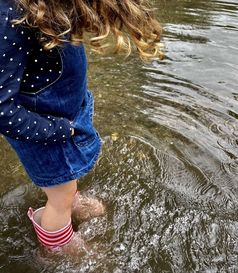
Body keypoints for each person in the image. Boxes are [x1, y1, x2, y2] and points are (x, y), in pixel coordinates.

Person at [0, 0, 163, 253]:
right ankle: (57, 250)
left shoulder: (49, 7)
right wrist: (58, 130)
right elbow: (2, 110)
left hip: (63, 116)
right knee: (59, 197)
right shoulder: (10, 18)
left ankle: (68, 198)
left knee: (65, 185)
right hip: (43, 130)